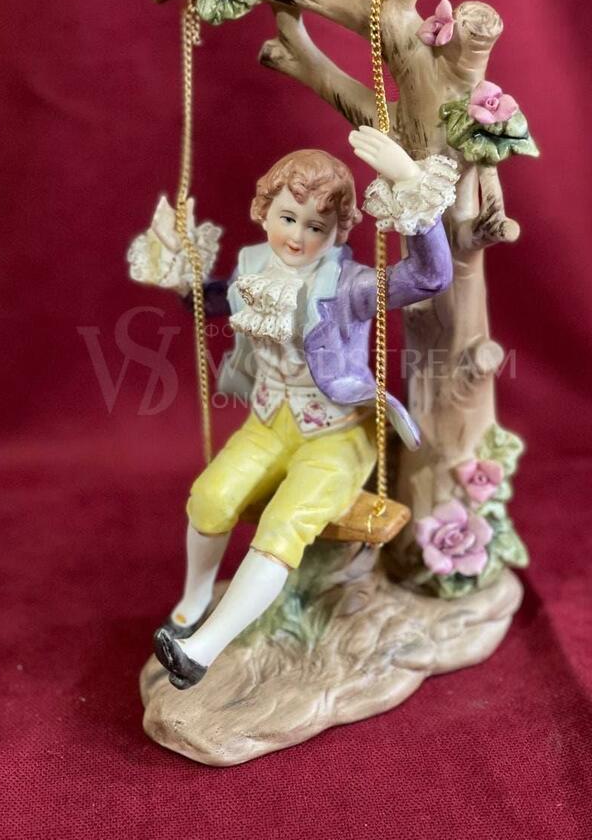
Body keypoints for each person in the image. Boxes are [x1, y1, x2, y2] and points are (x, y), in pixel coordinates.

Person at [126, 127, 458, 688]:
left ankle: (200, 651)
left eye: (316, 227)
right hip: (268, 421)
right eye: (288, 218)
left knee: (283, 525)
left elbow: (430, 276)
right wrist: (181, 275)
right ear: (264, 211)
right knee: (210, 496)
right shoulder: (252, 269)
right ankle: (195, 598)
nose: (298, 237)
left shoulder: (351, 286)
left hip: (335, 433)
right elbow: (210, 302)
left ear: (337, 231)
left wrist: (409, 182)